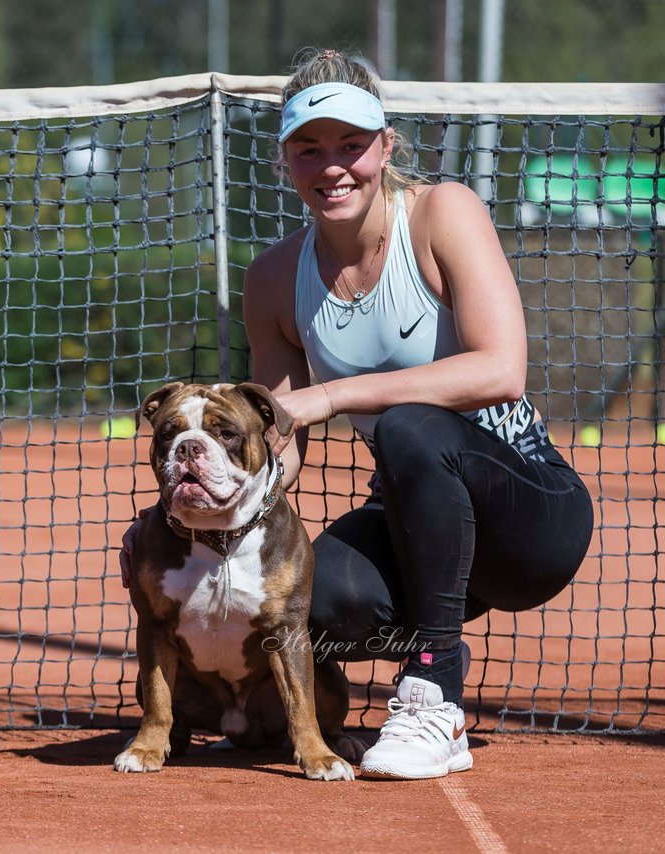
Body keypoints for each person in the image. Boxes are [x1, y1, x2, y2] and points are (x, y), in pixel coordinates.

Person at [237, 48, 594, 779]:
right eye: (310, 150)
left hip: (529, 519)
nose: (333, 167)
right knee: (306, 597)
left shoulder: (442, 213)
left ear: (386, 145)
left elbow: (501, 369)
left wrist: (333, 395)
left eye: (352, 146)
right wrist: (209, 524)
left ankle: (434, 694)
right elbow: (279, 443)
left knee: (406, 423)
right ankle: (311, 696)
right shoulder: (274, 279)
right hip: (418, 523)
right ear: (285, 160)